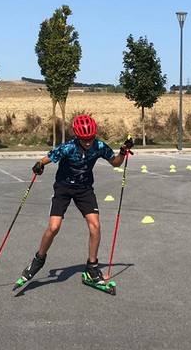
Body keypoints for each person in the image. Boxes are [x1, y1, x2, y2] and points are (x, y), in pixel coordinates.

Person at [19, 113, 134, 285]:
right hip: (63, 188)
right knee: (54, 227)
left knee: (95, 225)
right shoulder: (68, 147)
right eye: (84, 139)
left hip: (84, 189)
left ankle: (92, 267)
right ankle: (39, 259)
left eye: (90, 138)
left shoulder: (99, 146)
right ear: (77, 136)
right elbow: (46, 159)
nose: (88, 142)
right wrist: (40, 165)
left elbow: (116, 163)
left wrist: (123, 152)